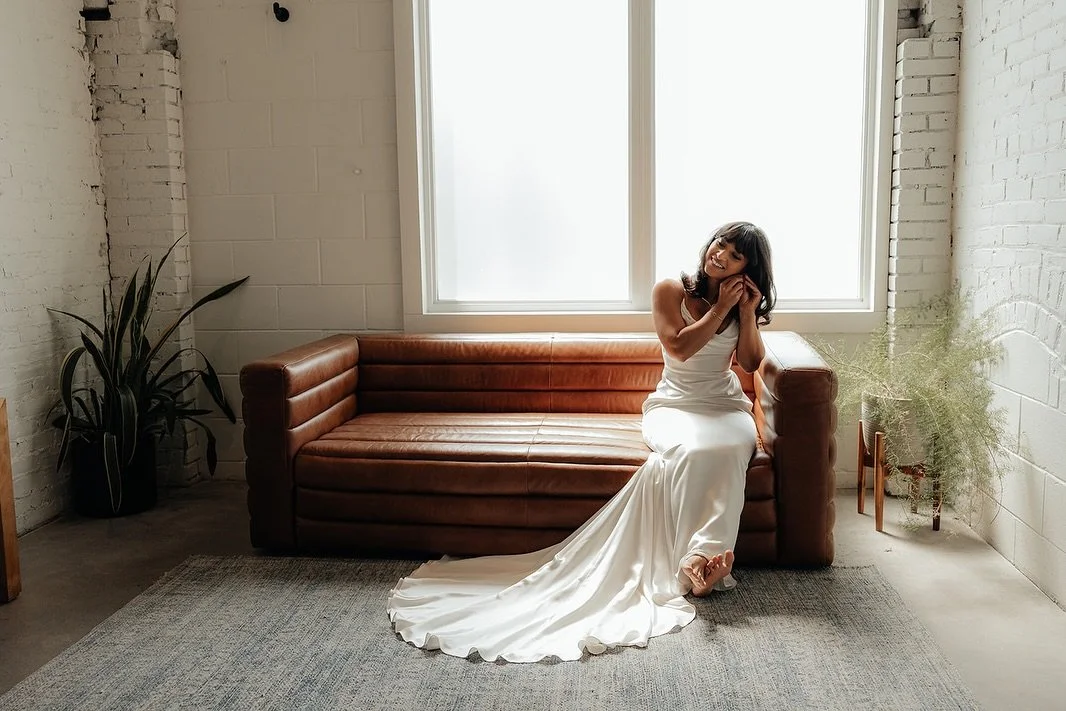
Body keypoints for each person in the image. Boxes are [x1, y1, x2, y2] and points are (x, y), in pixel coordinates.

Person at [387, 221, 777, 663]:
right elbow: (679, 347)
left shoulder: (737, 303)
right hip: (675, 406)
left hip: (723, 407)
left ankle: (702, 563)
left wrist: (744, 312)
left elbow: (748, 362)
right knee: (693, 449)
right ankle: (694, 563)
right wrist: (717, 308)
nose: (720, 254)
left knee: (727, 449)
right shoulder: (671, 290)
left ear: (749, 269)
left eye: (735, 254)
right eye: (719, 243)